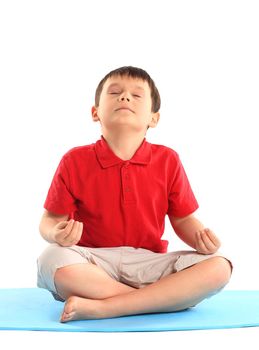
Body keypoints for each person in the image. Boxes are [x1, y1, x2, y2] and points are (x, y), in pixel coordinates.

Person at [37, 66, 232, 323]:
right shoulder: (74, 160)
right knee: (50, 258)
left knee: (219, 266)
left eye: (136, 95)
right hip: (93, 262)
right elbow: (49, 221)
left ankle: (107, 307)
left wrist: (200, 240)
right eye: (115, 92)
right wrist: (55, 233)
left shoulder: (168, 159)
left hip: (149, 263)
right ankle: (160, 300)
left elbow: (183, 220)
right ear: (95, 113)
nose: (125, 97)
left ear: (154, 118)